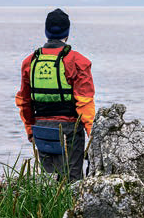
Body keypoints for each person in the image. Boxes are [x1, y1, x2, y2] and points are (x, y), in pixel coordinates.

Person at [16, 9, 95, 180]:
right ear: (67, 32)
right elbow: (85, 102)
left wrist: (30, 130)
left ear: (46, 31)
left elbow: (24, 101)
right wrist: (93, 136)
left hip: (41, 129)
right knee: (72, 181)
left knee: (49, 180)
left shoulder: (30, 61)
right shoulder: (78, 62)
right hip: (69, 130)